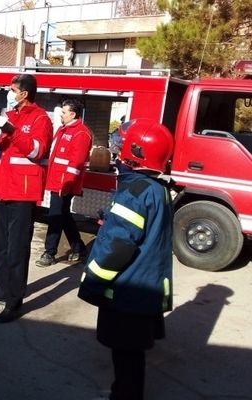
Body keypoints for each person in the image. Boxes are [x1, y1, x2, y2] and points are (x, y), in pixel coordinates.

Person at [78, 119, 174, 400]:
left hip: (128, 292)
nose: (116, 149)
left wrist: (92, 283)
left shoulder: (134, 192)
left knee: (127, 359)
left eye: (122, 144)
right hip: (146, 287)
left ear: (137, 151)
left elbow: (117, 249)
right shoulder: (156, 188)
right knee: (133, 357)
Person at [0, 74, 52, 323]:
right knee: (0, 247)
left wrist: (12, 130)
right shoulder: (11, 116)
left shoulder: (41, 118)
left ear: (24, 94)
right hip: (5, 191)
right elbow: (2, 150)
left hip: (23, 194)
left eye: (11, 89)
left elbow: (37, 150)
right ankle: (0, 290)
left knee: (17, 250)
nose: (8, 93)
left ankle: (14, 302)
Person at [36, 98, 92, 267]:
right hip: (57, 182)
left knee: (55, 217)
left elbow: (76, 163)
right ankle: (79, 248)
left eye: (64, 112)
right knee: (64, 216)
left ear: (73, 114)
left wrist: (66, 184)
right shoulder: (64, 130)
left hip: (64, 184)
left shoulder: (81, 133)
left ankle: (49, 252)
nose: (61, 115)